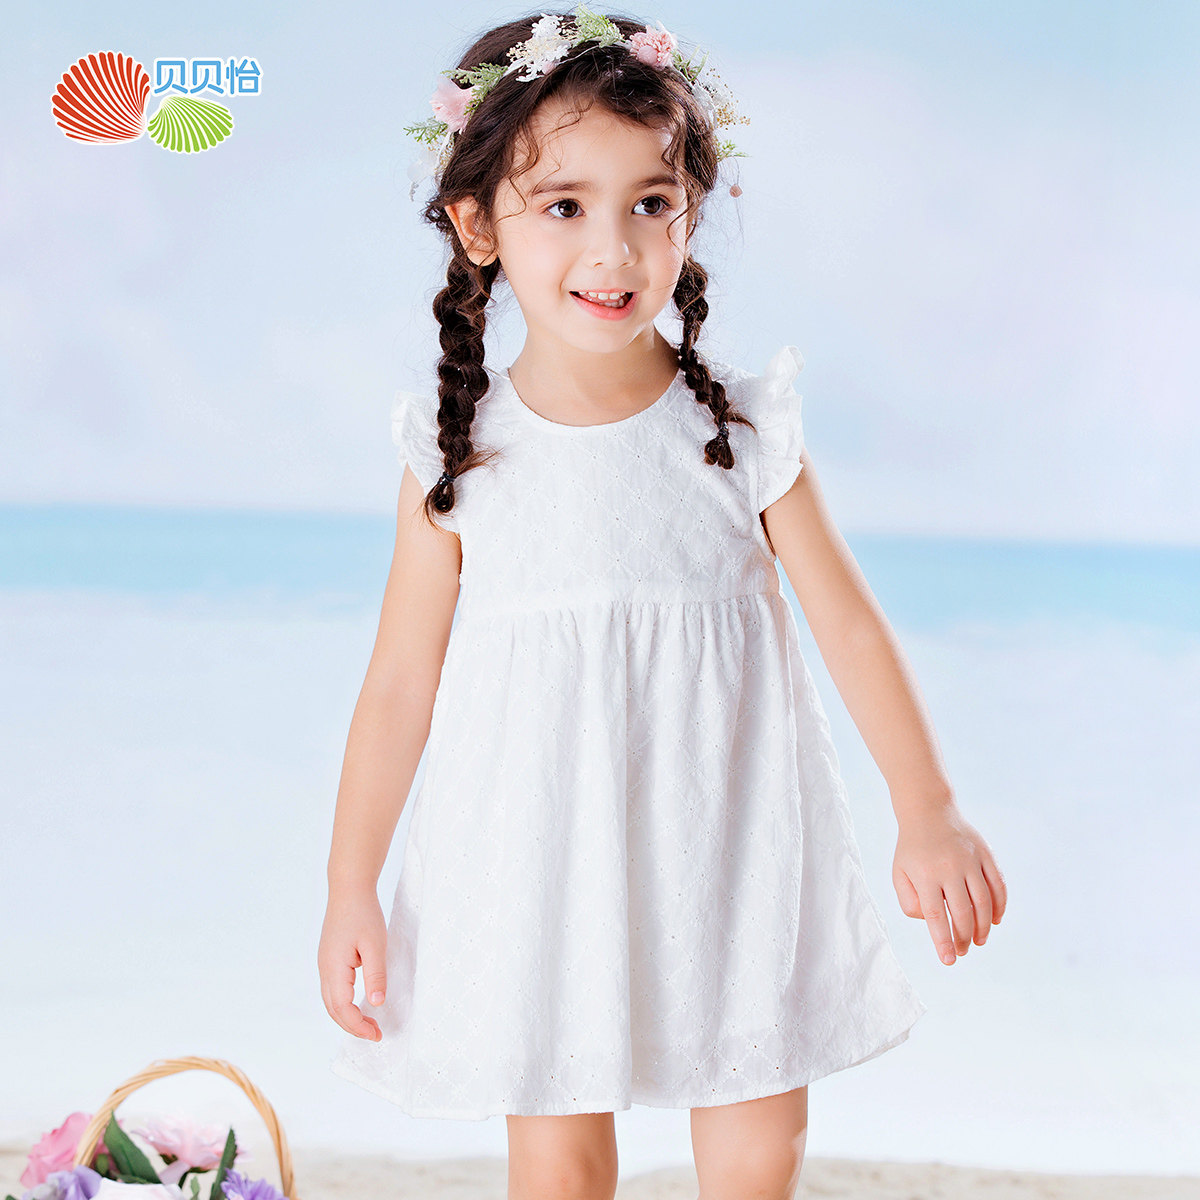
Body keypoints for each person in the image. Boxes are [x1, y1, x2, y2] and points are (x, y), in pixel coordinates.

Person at [318, 6, 1007, 1198]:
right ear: (478, 226)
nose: (615, 249)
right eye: (564, 206)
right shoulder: (457, 452)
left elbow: (848, 623)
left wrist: (927, 807)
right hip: (542, 849)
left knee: (754, 1133)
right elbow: (398, 686)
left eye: (651, 202)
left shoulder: (738, 429)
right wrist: (350, 887)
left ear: (690, 213)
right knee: (559, 1154)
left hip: (732, 838)